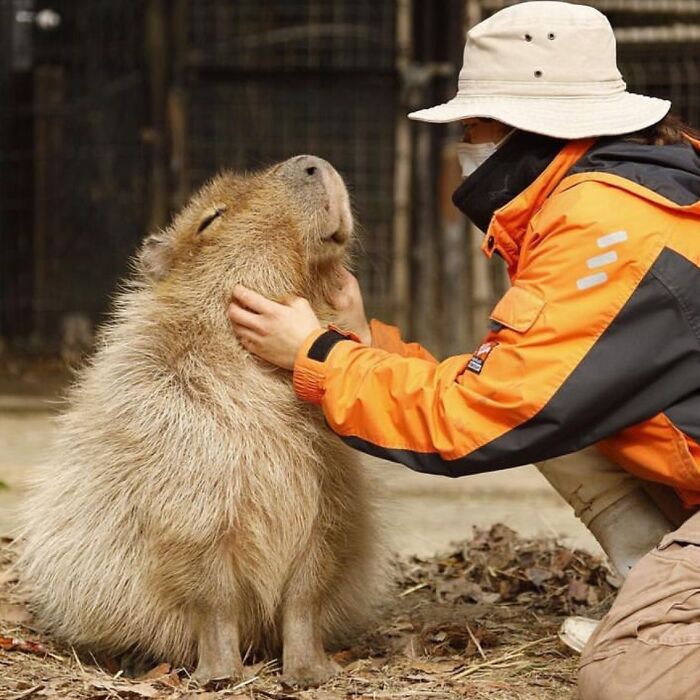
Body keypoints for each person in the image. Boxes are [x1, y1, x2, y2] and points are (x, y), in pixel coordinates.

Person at [228, 2, 700, 698]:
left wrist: (319, 356)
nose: (464, 142)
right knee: (559, 411)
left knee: (634, 676)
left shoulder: (610, 230)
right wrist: (361, 342)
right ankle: (652, 575)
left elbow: (484, 418)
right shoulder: (630, 187)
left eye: (472, 125)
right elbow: (521, 382)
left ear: (525, 126)